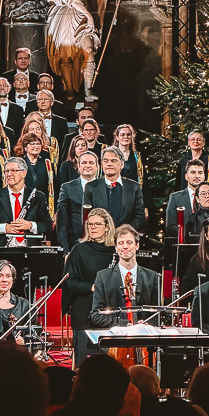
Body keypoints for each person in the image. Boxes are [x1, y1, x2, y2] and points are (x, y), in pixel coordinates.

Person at [46, 0, 128, 100]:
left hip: (82, 18)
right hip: (64, 18)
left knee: (89, 50)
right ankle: (69, 90)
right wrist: (89, 16)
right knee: (65, 56)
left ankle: (88, 89)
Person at [62, 207, 116, 365]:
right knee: (82, 361)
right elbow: (69, 281)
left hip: (108, 306)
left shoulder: (115, 250)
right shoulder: (79, 250)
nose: (93, 227)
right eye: (90, 224)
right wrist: (91, 287)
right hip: (84, 305)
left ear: (107, 226)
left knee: (108, 360)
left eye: (97, 224)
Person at [89, 223, 161, 329]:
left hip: (144, 338)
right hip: (114, 340)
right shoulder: (103, 277)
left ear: (137, 245)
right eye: (121, 243)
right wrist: (122, 324)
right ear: (116, 248)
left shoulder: (152, 277)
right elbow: (95, 315)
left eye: (129, 242)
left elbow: (158, 313)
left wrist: (148, 324)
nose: (125, 247)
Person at [0, 156, 51, 254]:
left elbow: (47, 226)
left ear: (23, 173)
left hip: (30, 252)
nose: (9, 174)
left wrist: (30, 225)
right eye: (7, 171)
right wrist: (4, 228)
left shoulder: (38, 197)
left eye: (13, 170)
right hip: (2, 252)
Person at [82, 147, 145, 232]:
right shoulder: (91, 187)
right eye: (105, 161)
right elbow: (88, 217)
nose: (109, 164)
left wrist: (122, 232)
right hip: (100, 239)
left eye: (113, 160)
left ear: (122, 164)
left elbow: (139, 216)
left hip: (124, 239)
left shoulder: (134, 187)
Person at [56, 150, 99, 251]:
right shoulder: (67, 188)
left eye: (91, 163)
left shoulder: (105, 187)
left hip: (101, 246)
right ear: (78, 167)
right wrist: (65, 251)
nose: (87, 165)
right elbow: (62, 223)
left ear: (97, 166)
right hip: (74, 245)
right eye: (84, 163)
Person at [165, 157, 207, 234]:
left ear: (204, 176)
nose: (197, 176)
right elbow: (170, 227)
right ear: (186, 176)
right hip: (184, 243)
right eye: (193, 172)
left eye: (200, 173)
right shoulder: (175, 198)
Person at [0, 259, 30, 339]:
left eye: (8, 276)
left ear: (12, 280)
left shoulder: (23, 304)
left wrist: (24, 340)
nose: (4, 280)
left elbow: (34, 330)